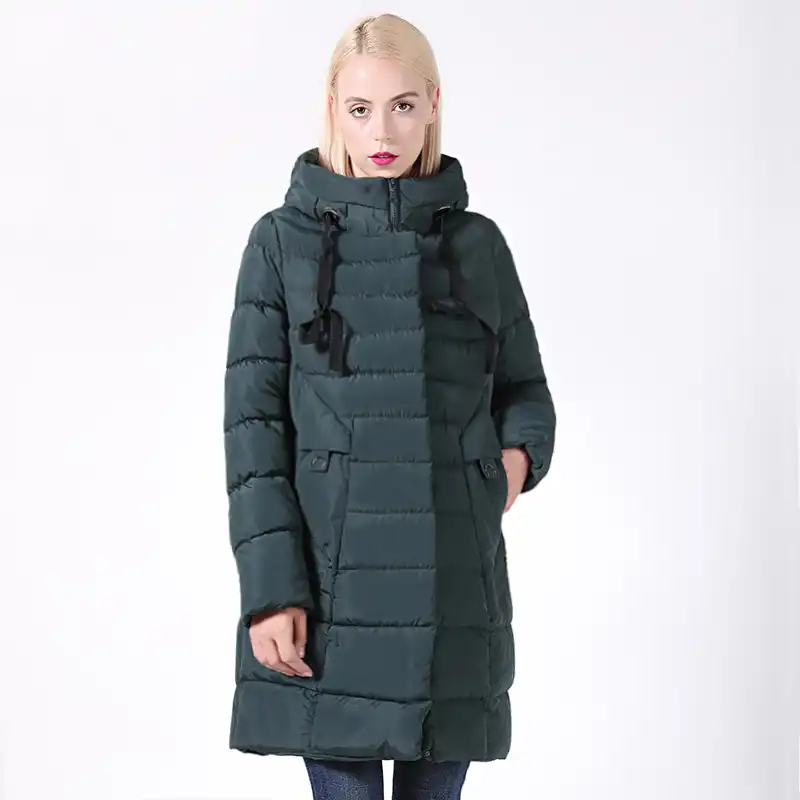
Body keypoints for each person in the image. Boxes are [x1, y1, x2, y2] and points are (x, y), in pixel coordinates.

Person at [223, 12, 556, 800]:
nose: (383, 131)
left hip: (453, 591)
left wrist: (505, 471)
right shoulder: (282, 243)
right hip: (328, 596)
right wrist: (271, 594)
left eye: (404, 106)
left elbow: (525, 393)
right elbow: (254, 432)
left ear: (433, 103)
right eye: (362, 108)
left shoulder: (477, 245)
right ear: (332, 107)